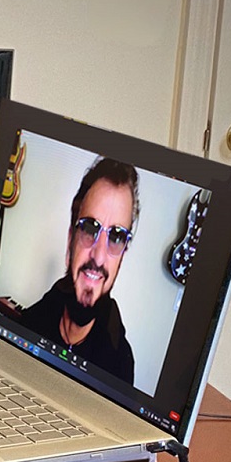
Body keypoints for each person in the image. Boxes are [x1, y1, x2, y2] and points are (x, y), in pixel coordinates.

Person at [19, 157, 138, 382]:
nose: (99, 256)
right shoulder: (30, 323)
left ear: (121, 258)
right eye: (90, 229)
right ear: (70, 241)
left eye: (116, 236)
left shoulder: (120, 365)